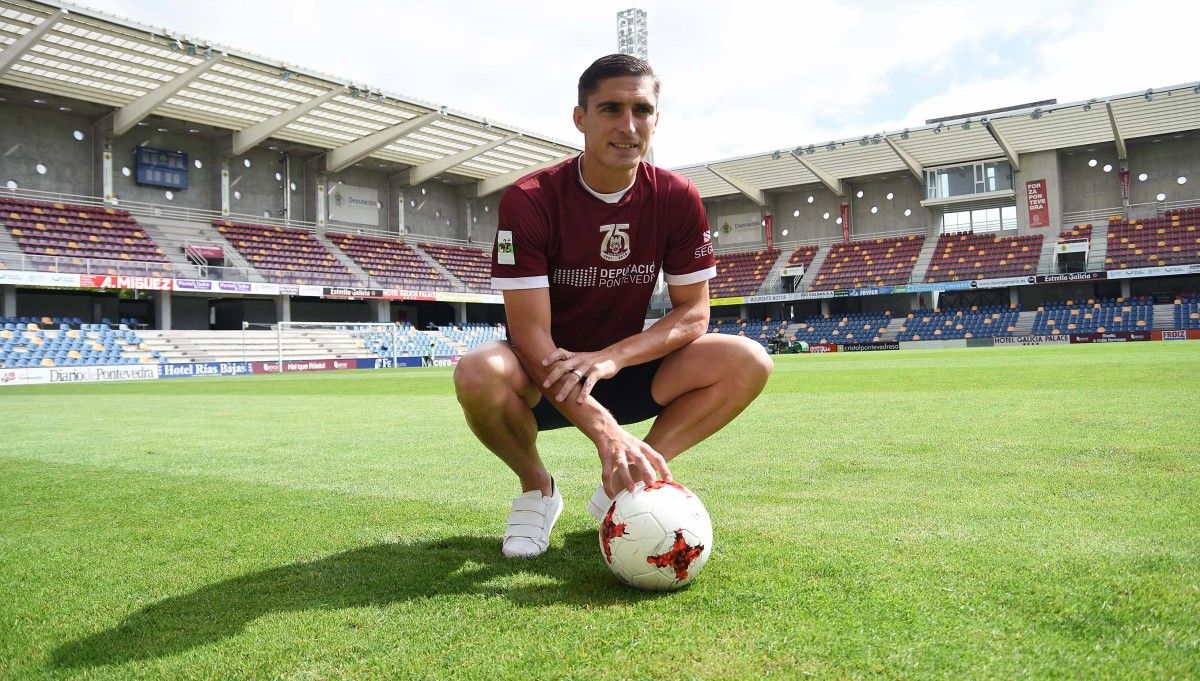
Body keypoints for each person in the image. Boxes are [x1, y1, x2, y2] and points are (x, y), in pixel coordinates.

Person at [453, 54, 773, 559]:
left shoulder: (676, 196)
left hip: (623, 367)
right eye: (610, 109)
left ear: (656, 120)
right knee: (477, 371)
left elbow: (694, 313)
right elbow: (531, 336)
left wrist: (612, 359)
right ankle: (539, 492)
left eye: (641, 110)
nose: (628, 126)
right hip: (544, 376)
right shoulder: (530, 199)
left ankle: (631, 480)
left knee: (748, 360)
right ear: (580, 118)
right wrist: (604, 431)